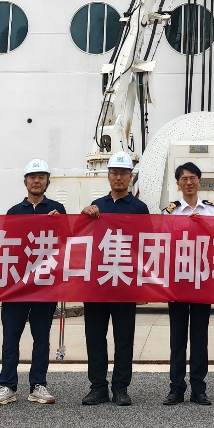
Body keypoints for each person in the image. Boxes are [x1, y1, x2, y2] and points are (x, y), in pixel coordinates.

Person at [0, 158, 65, 407]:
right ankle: (7, 386)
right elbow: (5, 248)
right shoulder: (14, 212)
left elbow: (68, 243)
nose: (36, 181)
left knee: (41, 337)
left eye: (41, 177)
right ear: (25, 182)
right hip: (17, 285)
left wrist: (60, 225)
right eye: (32, 177)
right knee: (10, 337)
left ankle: (38, 385)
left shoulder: (57, 209)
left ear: (47, 182)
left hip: (45, 285)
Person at [80, 150, 150, 407]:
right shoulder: (96, 206)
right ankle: (98, 387)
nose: (118, 177)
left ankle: (121, 387)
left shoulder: (139, 208)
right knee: (95, 337)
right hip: (97, 283)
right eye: (114, 173)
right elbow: (81, 239)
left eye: (123, 173)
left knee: (124, 338)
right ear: (108, 176)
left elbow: (147, 245)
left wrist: (142, 283)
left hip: (125, 284)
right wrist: (83, 215)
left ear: (130, 177)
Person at [162, 161, 214, 406]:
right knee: (177, 337)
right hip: (178, 280)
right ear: (178, 183)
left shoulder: (212, 211)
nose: (189, 182)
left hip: (202, 280)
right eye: (184, 179)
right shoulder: (170, 212)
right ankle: (176, 388)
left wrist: (204, 226)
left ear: (199, 181)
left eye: (193, 178)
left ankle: (199, 388)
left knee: (199, 337)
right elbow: (163, 243)